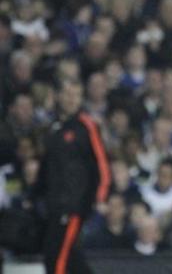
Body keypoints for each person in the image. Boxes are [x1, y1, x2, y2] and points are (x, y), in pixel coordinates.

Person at [35, 80, 111, 273]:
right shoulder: (53, 127)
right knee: (68, 258)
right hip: (54, 204)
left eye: (76, 95)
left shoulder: (86, 126)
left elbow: (101, 164)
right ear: (59, 96)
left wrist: (100, 197)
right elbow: (46, 167)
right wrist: (34, 194)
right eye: (68, 94)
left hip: (73, 204)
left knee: (57, 259)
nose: (71, 99)